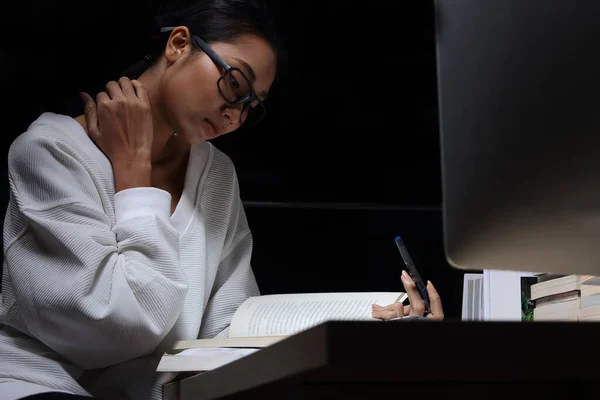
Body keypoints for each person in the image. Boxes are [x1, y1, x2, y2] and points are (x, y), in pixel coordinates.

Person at [0, 0, 443, 399]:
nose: (235, 114)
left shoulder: (215, 173)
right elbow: (118, 328)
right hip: (41, 384)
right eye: (235, 83)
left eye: (252, 105)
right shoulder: (50, 151)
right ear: (178, 44)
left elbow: (226, 334)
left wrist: (371, 332)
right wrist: (134, 176)